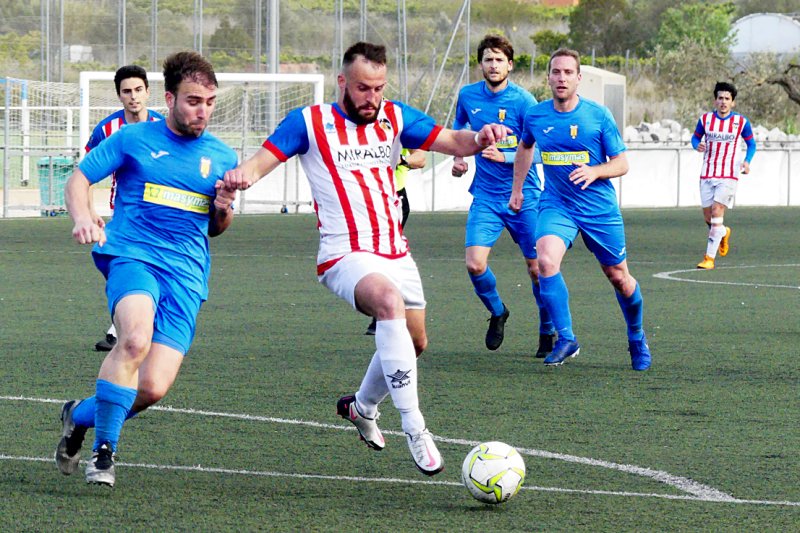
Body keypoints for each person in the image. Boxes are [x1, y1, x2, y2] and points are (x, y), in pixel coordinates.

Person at [222, 41, 510, 476]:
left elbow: (452, 140)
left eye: (378, 88)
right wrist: (243, 176)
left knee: (414, 344)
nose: (371, 97)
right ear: (342, 82)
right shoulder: (309, 122)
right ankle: (415, 427)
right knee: (388, 304)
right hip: (344, 253)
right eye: (362, 88)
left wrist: (480, 138)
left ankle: (362, 406)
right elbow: (262, 162)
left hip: (395, 249)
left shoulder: (394, 115)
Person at [56, 51, 239, 487]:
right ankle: (105, 454)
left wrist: (223, 209)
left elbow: (216, 229)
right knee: (134, 338)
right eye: (194, 100)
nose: (203, 111)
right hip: (133, 256)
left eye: (210, 102)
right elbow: (79, 178)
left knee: (153, 387)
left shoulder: (222, 155)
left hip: (187, 274)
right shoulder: (134, 138)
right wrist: (83, 215)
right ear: (170, 97)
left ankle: (78, 416)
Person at [509, 48, 651, 371]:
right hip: (557, 204)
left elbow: (622, 163)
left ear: (578, 79)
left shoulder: (598, 115)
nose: (561, 78)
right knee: (544, 259)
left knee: (619, 278)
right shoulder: (536, 115)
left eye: (568, 73)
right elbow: (524, 148)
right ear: (548, 77)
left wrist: (595, 171)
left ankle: (636, 336)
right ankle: (567, 337)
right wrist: (517, 190)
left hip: (598, 208)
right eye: (556, 72)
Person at [451, 34, 554, 357]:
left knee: (537, 269)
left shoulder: (524, 102)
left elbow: (541, 153)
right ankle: (498, 311)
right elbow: (457, 132)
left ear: (510, 65)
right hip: (486, 196)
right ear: (480, 64)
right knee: (474, 264)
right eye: (488, 59)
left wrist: (508, 159)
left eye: (499, 60)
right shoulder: (468, 96)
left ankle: (547, 330)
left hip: (524, 197)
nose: (493, 65)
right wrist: (458, 158)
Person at [86, 65, 166, 352]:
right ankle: (126, 326)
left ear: (148, 91)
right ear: (119, 95)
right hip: (122, 216)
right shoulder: (106, 130)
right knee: (120, 267)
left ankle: (123, 331)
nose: (133, 97)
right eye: (126, 91)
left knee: (152, 270)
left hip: (159, 216)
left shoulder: (163, 126)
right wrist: (87, 211)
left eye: (138, 90)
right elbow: (83, 173)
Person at [692, 81, 757, 270]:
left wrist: (747, 161)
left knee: (717, 212)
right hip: (707, 173)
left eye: (727, 99)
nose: (723, 102)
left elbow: (751, 144)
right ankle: (722, 232)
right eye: (720, 98)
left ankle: (709, 258)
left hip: (728, 174)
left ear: (733, 103)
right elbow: (695, 137)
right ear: (715, 100)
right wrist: (696, 145)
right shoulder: (705, 120)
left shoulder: (741, 122)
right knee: (708, 217)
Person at [364, 147, 425, 335]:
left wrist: (401, 160)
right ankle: (386, 308)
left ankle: (387, 312)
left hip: (394, 198)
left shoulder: (399, 124)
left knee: (387, 253)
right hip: (366, 197)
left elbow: (420, 158)